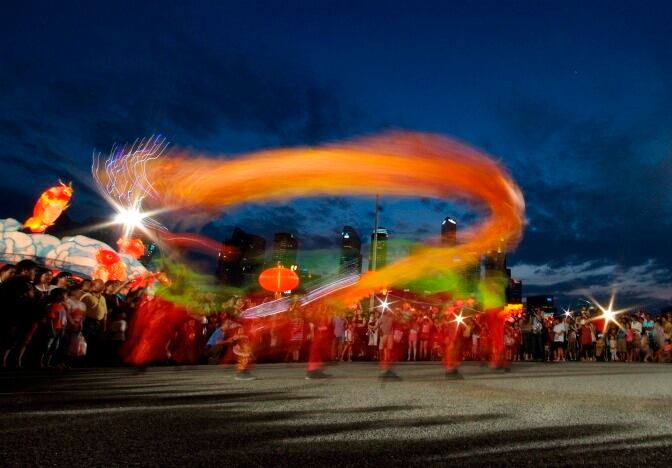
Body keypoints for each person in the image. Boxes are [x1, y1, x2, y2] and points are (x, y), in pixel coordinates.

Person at [81, 279, 108, 364]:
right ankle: (82, 360)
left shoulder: (103, 298)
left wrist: (104, 325)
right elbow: (81, 311)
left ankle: (91, 360)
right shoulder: (87, 296)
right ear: (93, 286)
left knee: (94, 341)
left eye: (102, 285)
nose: (102, 287)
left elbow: (105, 313)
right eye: (99, 285)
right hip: (88, 322)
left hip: (98, 323)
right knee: (85, 341)